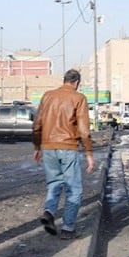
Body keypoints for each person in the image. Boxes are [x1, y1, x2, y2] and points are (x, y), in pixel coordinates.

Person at [33, 69, 95, 240]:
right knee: (73, 189)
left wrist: (37, 147)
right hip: (68, 147)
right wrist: (89, 153)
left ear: (64, 80)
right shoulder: (78, 98)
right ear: (77, 83)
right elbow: (83, 130)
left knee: (54, 184)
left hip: (48, 146)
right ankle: (68, 228)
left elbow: (37, 124)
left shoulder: (47, 96)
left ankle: (49, 211)